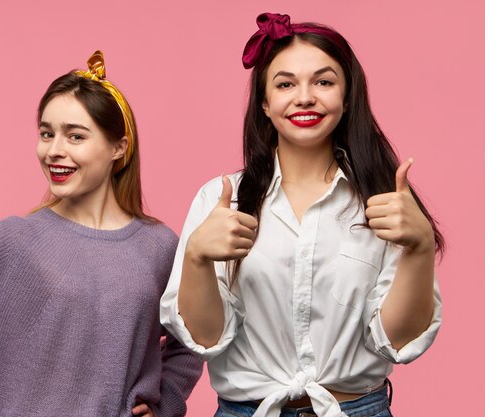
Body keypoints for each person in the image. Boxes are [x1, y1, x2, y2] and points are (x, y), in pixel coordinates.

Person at [160, 13, 443, 417]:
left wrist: (419, 247)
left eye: (324, 82)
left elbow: (397, 342)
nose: (305, 97)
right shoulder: (221, 200)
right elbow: (206, 340)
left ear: (347, 98)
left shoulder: (386, 204)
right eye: (286, 84)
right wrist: (196, 258)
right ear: (265, 102)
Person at [0, 50, 202, 417]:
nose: (54, 151)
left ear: (118, 148)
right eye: (47, 134)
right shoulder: (12, 241)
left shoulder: (159, 247)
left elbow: (190, 338)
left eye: (75, 136)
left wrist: (166, 402)